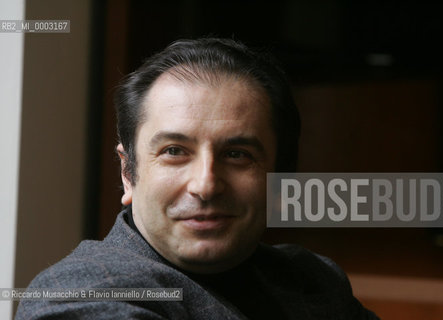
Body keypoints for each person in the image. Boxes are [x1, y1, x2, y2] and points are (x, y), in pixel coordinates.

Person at [16, 38, 379, 319]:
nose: (205, 185)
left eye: (237, 155)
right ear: (129, 173)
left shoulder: (313, 279)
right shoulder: (82, 294)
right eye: (174, 151)